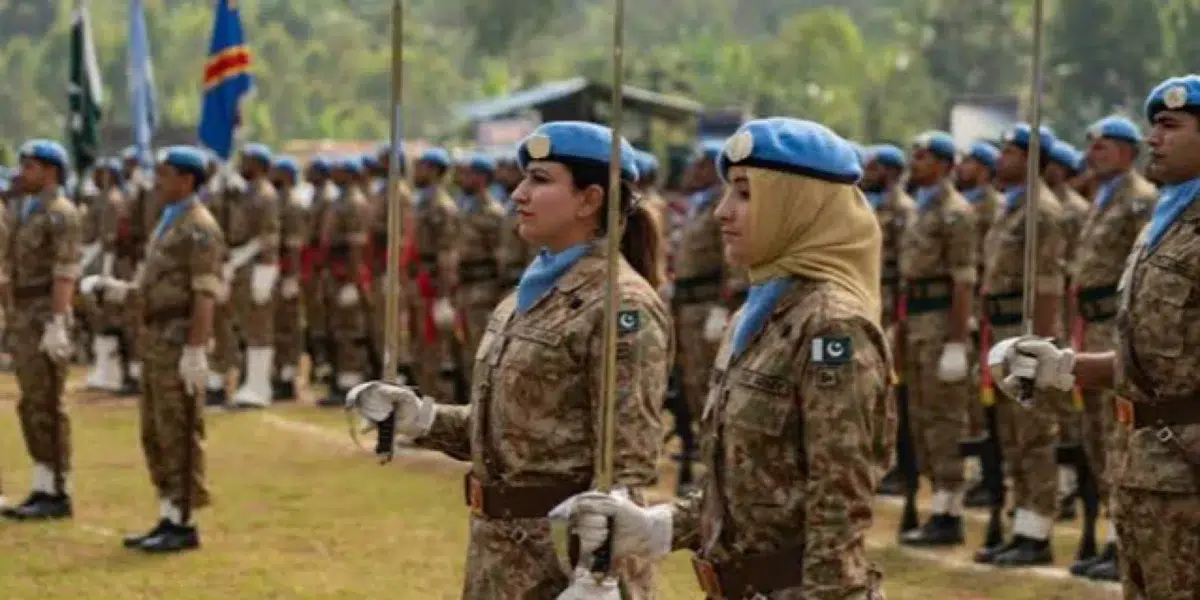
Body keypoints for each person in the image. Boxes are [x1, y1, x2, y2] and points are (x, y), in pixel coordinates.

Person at [554, 117, 893, 599]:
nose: (722, 212)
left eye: (746, 194)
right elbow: (744, 482)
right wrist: (659, 526)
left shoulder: (832, 326)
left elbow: (839, 507)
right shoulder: (760, 316)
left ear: (799, 207)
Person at [346, 121, 671, 599]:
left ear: (590, 199)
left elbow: (629, 462)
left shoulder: (619, 304)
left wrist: (597, 575)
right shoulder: (530, 293)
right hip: (502, 556)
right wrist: (423, 418)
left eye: (540, 180)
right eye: (523, 179)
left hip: (568, 564)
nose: (519, 193)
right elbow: (514, 427)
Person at [993, 75, 1200, 599]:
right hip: (1148, 471)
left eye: (1170, 126)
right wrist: (1060, 366)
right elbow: (1147, 358)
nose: (1154, 138)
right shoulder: (1168, 224)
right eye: (1152, 126)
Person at [99, 146, 224, 552]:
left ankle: (183, 522)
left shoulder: (199, 226)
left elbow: (204, 294)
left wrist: (196, 350)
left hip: (178, 338)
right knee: (155, 430)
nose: (158, 182)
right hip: (156, 339)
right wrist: (121, 292)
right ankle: (168, 513)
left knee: (180, 429)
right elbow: (156, 285)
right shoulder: (169, 221)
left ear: (187, 180)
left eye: (166, 174)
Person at [1063, 115, 1156, 581]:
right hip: (1091, 325)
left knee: (1119, 438)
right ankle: (1112, 538)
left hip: (1117, 327)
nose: (1094, 151)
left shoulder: (1140, 201)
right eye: (1092, 144)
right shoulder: (1100, 198)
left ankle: (1125, 543)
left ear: (1128, 151)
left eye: (1105, 145)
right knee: (1097, 438)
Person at [974, 123, 1066, 567]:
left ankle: (1038, 535)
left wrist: (1040, 349)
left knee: (1034, 436)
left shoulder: (1041, 212)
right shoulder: (1011, 208)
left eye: (1010, 152)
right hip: (1004, 331)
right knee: (1012, 436)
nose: (1001, 159)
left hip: (1028, 333)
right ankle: (1021, 526)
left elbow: (1049, 285)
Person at [897, 131, 978, 546]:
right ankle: (938, 504)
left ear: (945, 164)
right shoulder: (919, 209)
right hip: (916, 323)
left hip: (940, 323)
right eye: (914, 153)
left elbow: (964, 282)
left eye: (924, 156)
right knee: (920, 417)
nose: (916, 161)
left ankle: (950, 510)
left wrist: (956, 342)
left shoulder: (956, 212)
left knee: (945, 419)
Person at [1, 140, 82, 521]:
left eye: (29, 166)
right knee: (32, 402)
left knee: (49, 402)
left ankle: (58, 488)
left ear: (50, 171)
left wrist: (56, 321)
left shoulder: (60, 213)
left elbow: (64, 270)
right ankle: (42, 481)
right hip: (25, 313)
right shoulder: (28, 210)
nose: (22, 173)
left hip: (44, 314)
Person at [862, 143, 914, 496]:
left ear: (892, 171)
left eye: (876, 166)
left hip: (893, 307)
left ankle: (898, 462)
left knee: (894, 392)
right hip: (869, 302)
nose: (869, 171)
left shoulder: (905, 210)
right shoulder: (868, 206)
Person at [228, 143, 281, 409]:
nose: (240, 165)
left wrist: (265, 269)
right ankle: (251, 382)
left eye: (245, 160)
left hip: (258, 266)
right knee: (248, 326)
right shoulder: (248, 193)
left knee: (260, 328)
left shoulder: (265, 195)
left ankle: (260, 386)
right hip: (244, 266)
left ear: (258, 165)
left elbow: (268, 236)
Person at [270, 156, 310, 400]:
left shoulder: (292, 204)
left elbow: (294, 245)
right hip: (281, 270)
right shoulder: (280, 201)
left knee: (288, 327)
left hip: (288, 270)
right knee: (280, 327)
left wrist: (291, 277)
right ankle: (280, 374)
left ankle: (287, 378)